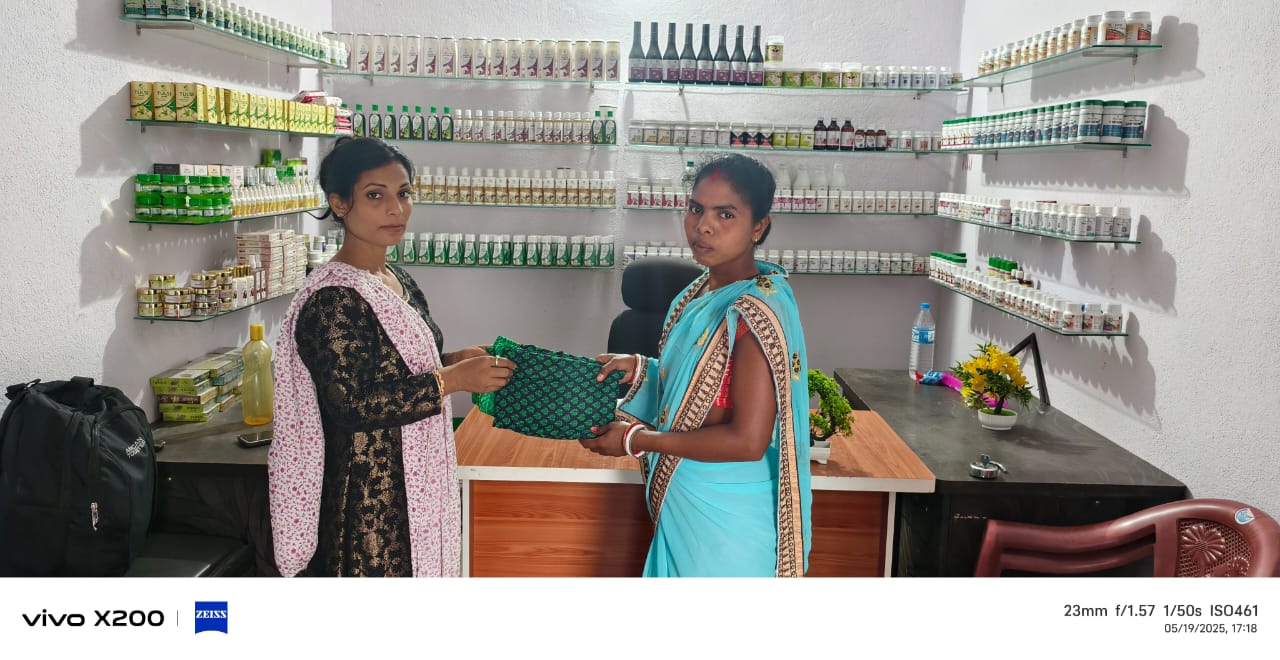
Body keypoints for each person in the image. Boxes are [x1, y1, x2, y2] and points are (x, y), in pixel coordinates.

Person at [268, 137, 515, 577]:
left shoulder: (394, 278)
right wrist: (454, 379)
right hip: (371, 497)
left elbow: (393, 365)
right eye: (375, 195)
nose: (396, 209)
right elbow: (351, 404)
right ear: (339, 204)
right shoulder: (333, 300)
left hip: (418, 478)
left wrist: (453, 358)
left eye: (404, 193)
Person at [581, 154, 812, 577]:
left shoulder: (752, 313)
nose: (703, 226)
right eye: (696, 209)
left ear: (758, 226)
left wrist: (636, 439)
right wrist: (641, 367)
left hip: (727, 521)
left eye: (726, 214)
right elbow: (700, 381)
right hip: (685, 501)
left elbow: (747, 441)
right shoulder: (697, 294)